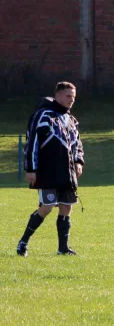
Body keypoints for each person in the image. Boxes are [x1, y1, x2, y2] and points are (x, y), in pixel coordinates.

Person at [16, 81, 85, 257]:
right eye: (68, 96)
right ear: (58, 96)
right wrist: (31, 169)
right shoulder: (43, 115)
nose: (71, 100)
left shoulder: (71, 119)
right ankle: (23, 242)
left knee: (66, 207)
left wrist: (78, 161)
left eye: (73, 97)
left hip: (67, 172)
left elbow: (77, 144)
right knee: (46, 206)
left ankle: (63, 248)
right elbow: (32, 143)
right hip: (48, 171)